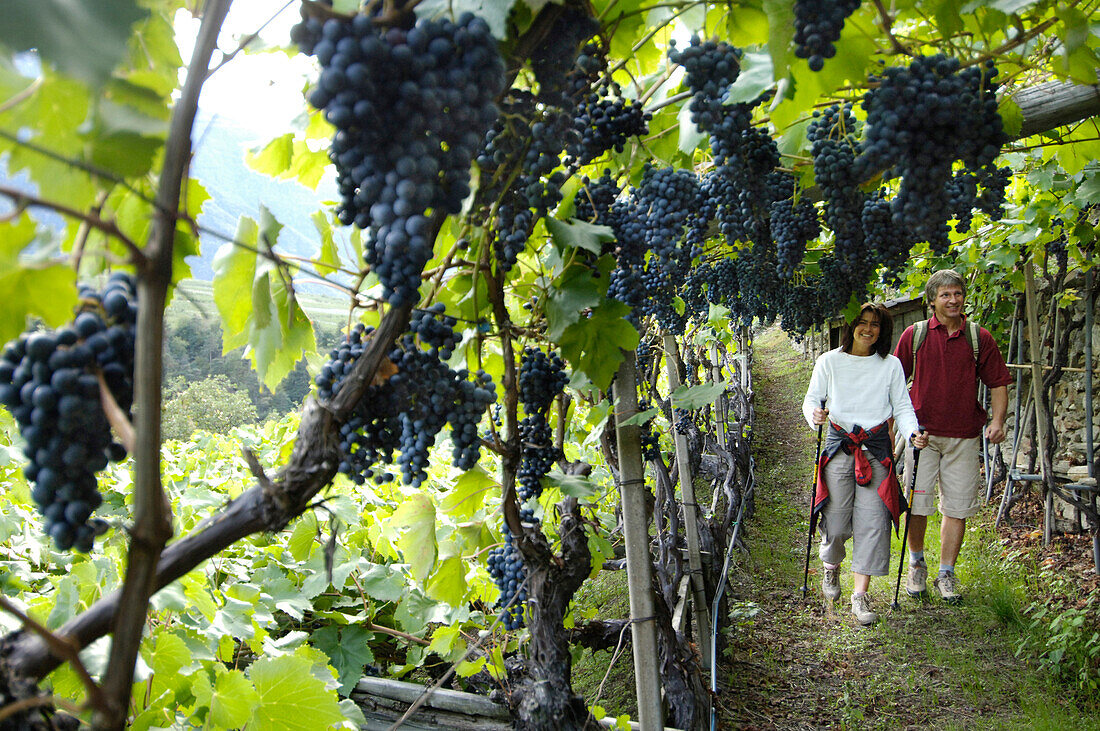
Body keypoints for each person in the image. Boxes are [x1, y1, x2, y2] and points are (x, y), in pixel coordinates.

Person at [803, 302, 928, 626]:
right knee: (837, 518)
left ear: (882, 330)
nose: (868, 329)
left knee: (874, 523)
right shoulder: (829, 361)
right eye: (863, 322)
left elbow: (902, 406)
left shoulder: (890, 366)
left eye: (875, 324)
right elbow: (812, 399)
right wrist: (814, 414)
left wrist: (913, 432)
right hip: (840, 445)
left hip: (876, 448)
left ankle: (860, 597)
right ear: (851, 325)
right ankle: (831, 569)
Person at [893, 269, 1011, 603]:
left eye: (957, 293)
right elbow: (891, 385)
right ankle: (916, 564)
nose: (953, 300)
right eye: (945, 295)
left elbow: (998, 383)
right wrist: (891, 430)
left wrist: (998, 421)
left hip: (964, 437)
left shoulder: (978, 338)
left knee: (956, 508)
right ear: (932, 301)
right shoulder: (914, 336)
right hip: (922, 438)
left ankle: (947, 572)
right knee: (917, 504)